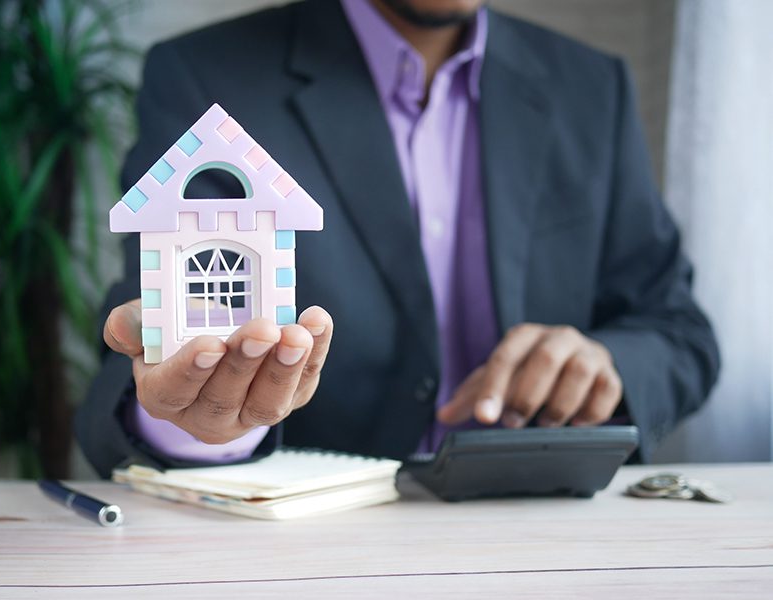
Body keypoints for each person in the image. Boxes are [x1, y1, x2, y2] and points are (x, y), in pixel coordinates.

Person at [76, 0, 720, 478]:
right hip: (310, 548)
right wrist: (201, 424)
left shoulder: (592, 88)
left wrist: (606, 364)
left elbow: (679, 331)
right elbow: (154, 338)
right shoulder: (204, 76)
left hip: (545, 529)